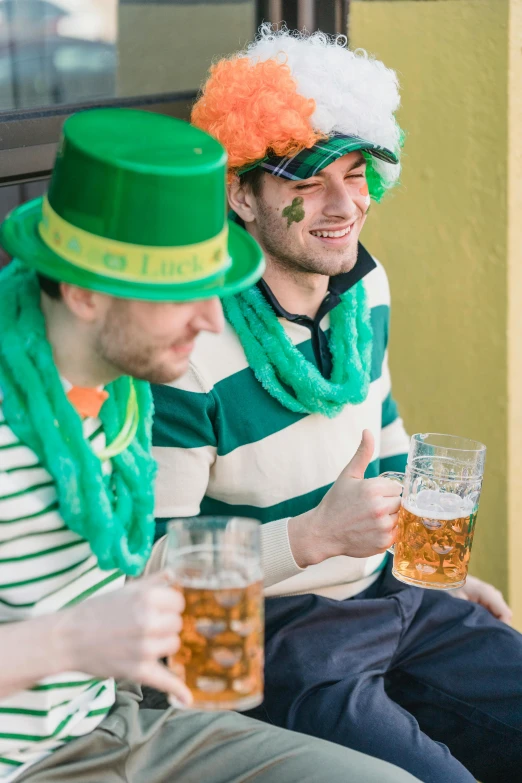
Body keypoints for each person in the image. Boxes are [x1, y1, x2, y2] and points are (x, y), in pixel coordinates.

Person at [0, 107, 419, 783]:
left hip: (127, 719)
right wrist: (73, 639)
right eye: (180, 295)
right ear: (81, 292)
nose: (214, 319)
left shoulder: (127, 395)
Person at [150, 27, 522, 783]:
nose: (343, 203)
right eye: (307, 179)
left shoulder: (364, 290)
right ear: (240, 194)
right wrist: (310, 536)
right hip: (272, 637)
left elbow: (382, 432)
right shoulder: (184, 342)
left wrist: (434, 573)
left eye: (357, 175)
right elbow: (153, 570)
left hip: (395, 592)